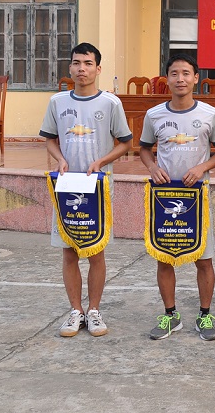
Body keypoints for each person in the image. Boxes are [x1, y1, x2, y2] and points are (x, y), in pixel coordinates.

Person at [40, 42, 133, 337]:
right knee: (69, 252)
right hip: (67, 187)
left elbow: (126, 143)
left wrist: (101, 162)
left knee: (96, 251)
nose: (82, 69)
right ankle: (75, 311)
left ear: (98, 69)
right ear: (70, 67)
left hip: (98, 187)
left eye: (88, 63)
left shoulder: (110, 103)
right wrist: (60, 159)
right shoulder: (57, 102)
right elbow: (50, 139)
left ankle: (93, 310)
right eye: (77, 63)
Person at [140, 54, 215, 341]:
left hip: (197, 199)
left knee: (204, 260)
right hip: (165, 198)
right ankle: (170, 315)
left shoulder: (210, 114)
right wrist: (152, 168)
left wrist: (201, 167)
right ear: (167, 79)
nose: (180, 79)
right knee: (164, 258)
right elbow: (144, 149)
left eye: (186, 73)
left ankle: (205, 315)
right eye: (174, 73)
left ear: (196, 78)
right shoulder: (154, 115)